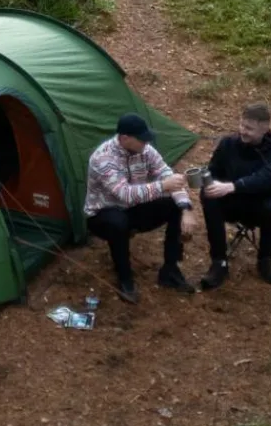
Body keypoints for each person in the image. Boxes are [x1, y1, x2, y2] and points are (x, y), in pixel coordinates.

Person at [84, 113, 197, 304]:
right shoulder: (103, 159)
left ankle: (170, 269)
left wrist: (186, 207)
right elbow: (125, 194)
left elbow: (165, 173)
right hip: (102, 213)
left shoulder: (145, 151)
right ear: (125, 138)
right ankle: (125, 278)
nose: (146, 143)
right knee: (118, 224)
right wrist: (163, 186)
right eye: (142, 139)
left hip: (134, 209)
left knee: (173, 205)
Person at [200, 102, 271, 290]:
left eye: (249, 128)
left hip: (258, 206)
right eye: (242, 125)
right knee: (208, 197)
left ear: (264, 129)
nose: (243, 131)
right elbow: (213, 169)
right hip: (230, 204)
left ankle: (265, 260)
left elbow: (266, 178)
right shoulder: (228, 144)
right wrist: (208, 182)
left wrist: (233, 186)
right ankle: (219, 262)